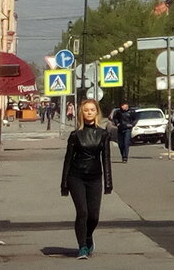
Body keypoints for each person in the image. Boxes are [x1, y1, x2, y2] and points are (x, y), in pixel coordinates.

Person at [61, 99, 113, 260]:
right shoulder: (75, 135)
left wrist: (109, 183)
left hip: (95, 178)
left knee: (94, 216)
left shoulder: (103, 134)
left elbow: (106, 159)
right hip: (76, 177)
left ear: (97, 112)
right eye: (86, 110)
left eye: (92, 110)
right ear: (81, 113)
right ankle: (82, 246)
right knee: (82, 212)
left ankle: (88, 236)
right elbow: (68, 159)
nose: (89, 112)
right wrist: (64, 183)